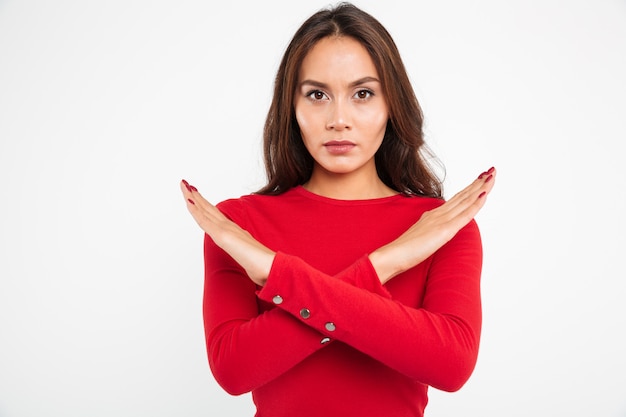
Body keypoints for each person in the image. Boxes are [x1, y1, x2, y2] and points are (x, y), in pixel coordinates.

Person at [180, 2, 496, 416]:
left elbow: (451, 366)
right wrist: (387, 264)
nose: (339, 119)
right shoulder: (238, 226)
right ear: (291, 108)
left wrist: (277, 275)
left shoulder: (441, 226)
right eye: (317, 95)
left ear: (391, 105)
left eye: (362, 93)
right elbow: (234, 371)